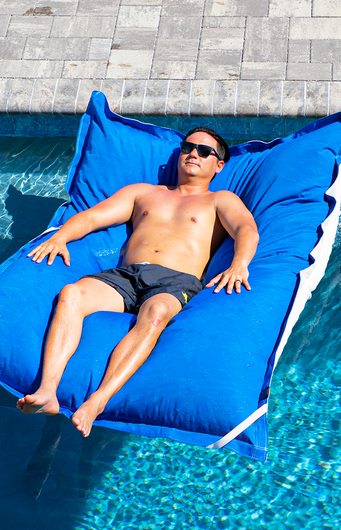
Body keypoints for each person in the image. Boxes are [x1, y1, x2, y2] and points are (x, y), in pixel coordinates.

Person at [17, 127, 259, 437]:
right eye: (188, 147)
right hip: (127, 276)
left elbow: (245, 229)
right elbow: (92, 217)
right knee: (71, 294)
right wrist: (61, 236)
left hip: (176, 282)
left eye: (204, 151)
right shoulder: (144, 192)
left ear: (219, 165)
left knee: (155, 314)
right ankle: (48, 391)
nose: (193, 154)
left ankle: (96, 403)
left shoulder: (219, 199)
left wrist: (240, 263)